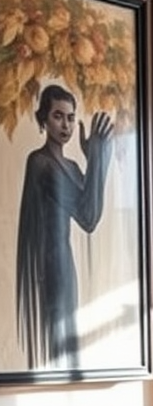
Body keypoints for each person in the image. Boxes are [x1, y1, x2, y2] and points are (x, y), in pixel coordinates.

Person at [15, 84, 114, 370]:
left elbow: (91, 218)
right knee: (57, 339)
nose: (66, 124)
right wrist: (95, 159)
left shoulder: (71, 166)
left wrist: (96, 159)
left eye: (71, 117)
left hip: (65, 264)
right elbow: (86, 213)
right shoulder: (40, 163)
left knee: (67, 340)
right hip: (49, 268)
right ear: (42, 119)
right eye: (58, 116)